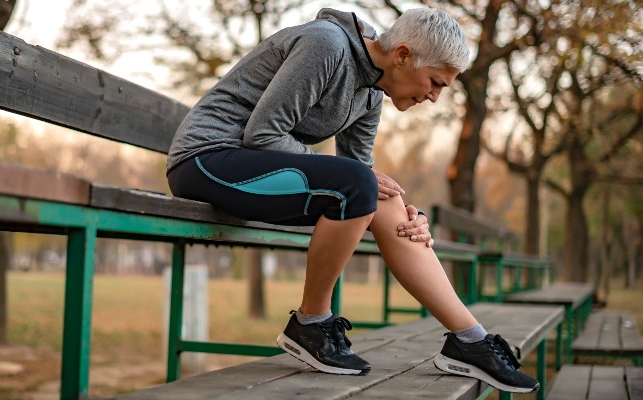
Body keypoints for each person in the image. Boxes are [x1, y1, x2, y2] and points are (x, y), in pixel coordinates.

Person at [166, 6, 539, 394]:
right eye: (435, 82)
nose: (433, 97)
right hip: (205, 160)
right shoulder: (325, 45)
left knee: (384, 197)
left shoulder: (372, 92)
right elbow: (263, 134)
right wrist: (361, 182)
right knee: (361, 184)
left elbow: (362, 182)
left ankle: (470, 340)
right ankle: (310, 323)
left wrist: (410, 217)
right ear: (403, 55)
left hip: (253, 171)